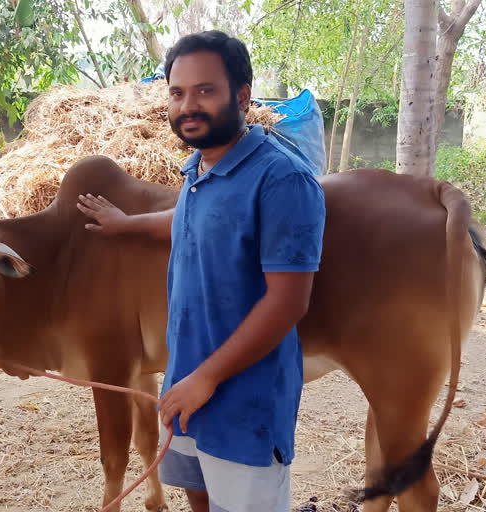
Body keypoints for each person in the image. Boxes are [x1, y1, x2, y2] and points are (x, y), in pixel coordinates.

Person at [76, 30, 326, 512]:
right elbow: (193, 222)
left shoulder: (282, 180)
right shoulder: (198, 171)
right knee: (199, 502)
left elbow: (289, 302)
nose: (188, 105)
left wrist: (205, 379)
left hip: (244, 405)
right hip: (186, 391)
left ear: (243, 96)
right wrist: (128, 224)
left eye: (205, 90)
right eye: (177, 92)